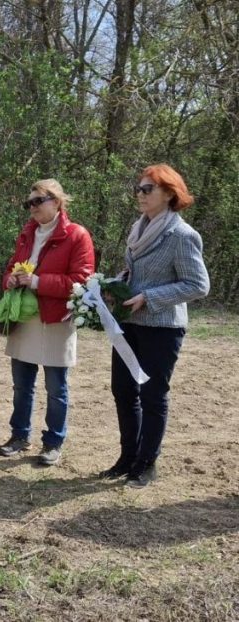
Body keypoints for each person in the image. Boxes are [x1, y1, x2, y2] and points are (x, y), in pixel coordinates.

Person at [100, 164, 210, 488]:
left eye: (147, 189)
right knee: (123, 390)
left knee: (152, 395)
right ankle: (128, 457)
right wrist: (117, 284)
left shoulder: (182, 235)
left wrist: (150, 296)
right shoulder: (138, 229)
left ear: (169, 194)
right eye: (138, 188)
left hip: (162, 327)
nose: (140, 194)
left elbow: (198, 285)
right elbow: (136, 273)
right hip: (130, 323)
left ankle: (146, 463)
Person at [0, 179, 95, 466]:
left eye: (38, 201)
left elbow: (82, 281)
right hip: (24, 317)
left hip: (56, 319)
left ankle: (53, 442)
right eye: (29, 203)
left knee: (56, 388)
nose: (32, 207)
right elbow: (10, 269)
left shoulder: (77, 235)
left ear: (57, 202)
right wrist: (10, 280)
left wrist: (38, 281)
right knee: (21, 385)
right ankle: (19, 436)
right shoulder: (27, 233)